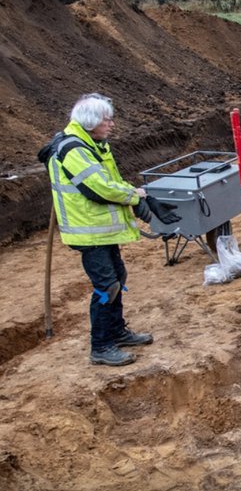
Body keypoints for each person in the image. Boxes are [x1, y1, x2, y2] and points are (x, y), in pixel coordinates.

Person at [37, 93, 181, 366]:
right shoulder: (74, 150)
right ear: (91, 122)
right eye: (107, 120)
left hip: (101, 229)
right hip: (89, 231)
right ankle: (101, 346)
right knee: (107, 286)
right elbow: (100, 188)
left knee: (118, 277)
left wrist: (137, 198)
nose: (111, 124)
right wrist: (136, 195)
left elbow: (111, 180)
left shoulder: (93, 144)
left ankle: (116, 332)